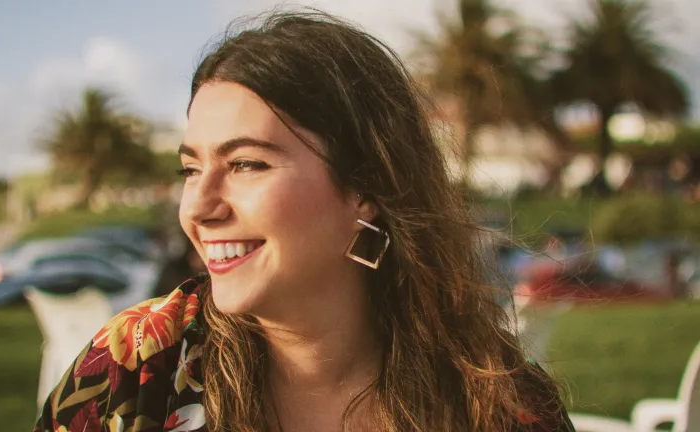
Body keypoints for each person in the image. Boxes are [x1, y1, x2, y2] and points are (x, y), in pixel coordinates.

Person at [34, 10, 574, 432]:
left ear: (364, 185)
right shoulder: (139, 368)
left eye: (246, 163)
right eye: (190, 168)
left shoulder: (494, 397)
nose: (198, 207)